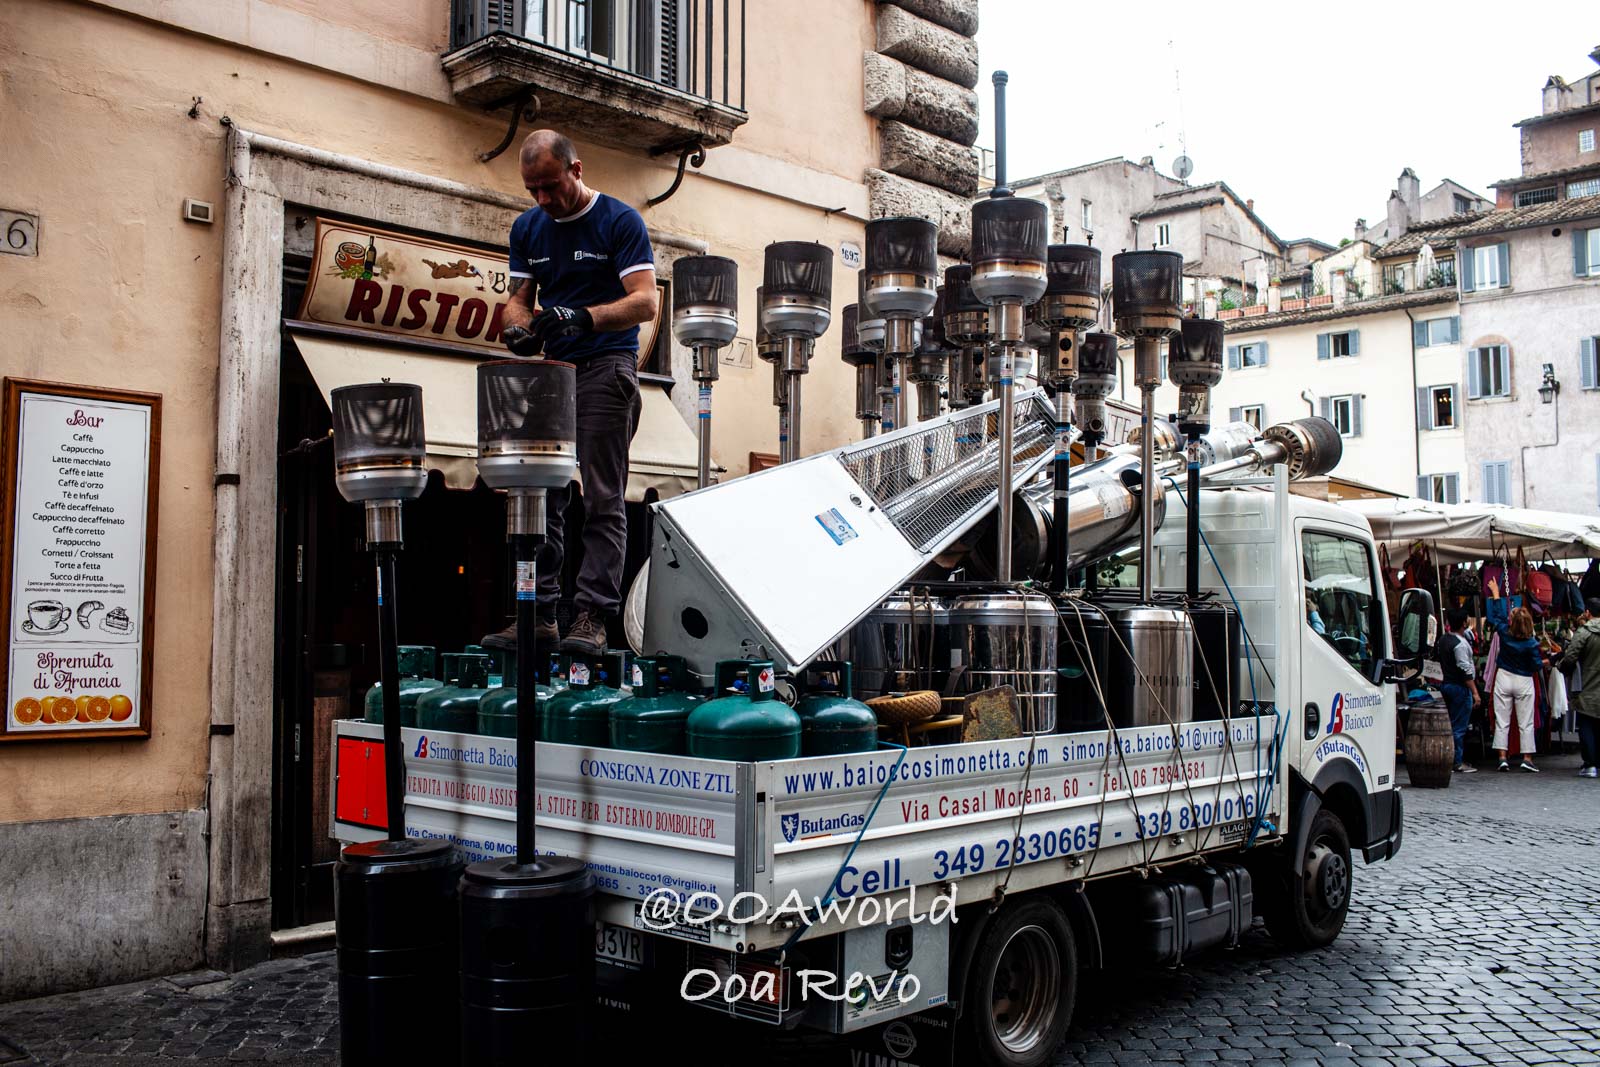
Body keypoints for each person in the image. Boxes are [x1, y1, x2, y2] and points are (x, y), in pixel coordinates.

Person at [482, 129, 658, 657]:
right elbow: (519, 299)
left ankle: (592, 618)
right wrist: (517, 326)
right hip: (552, 372)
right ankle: (535, 613)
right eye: (533, 188)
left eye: (551, 186)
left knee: (603, 498)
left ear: (576, 171)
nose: (543, 199)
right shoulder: (527, 228)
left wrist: (582, 317)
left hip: (608, 365)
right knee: (540, 494)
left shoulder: (619, 221)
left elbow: (645, 302)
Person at [1484, 578, 1546, 772]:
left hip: (1504, 676)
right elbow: (1536, 665)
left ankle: (1502, 757)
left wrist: (1496, 594)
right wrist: (1547, 661)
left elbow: (1499, 618)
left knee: (1502, 719)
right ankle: (1527, 758)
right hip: (1524, 679)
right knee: (1525, 721)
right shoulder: (1532, 644)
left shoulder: (1504, 633)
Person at [1557, 597, 1600, 778]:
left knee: (1587, 725)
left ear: (1588, 613)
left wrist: (1563, 668)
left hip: (1587, 686)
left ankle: (1590, 764)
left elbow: (1570, 656)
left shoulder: (1584, 632)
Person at [1435, 607, 1480, 773]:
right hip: (1458, 687)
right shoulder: (1459, 645)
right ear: (1463, 623)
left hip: (1447, 684)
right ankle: (1456, 760)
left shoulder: (1444, 640)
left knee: (1453, 724)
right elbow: (1465, 670)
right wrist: (1475, 692)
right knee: (1458, 727)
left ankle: (1452, 758)